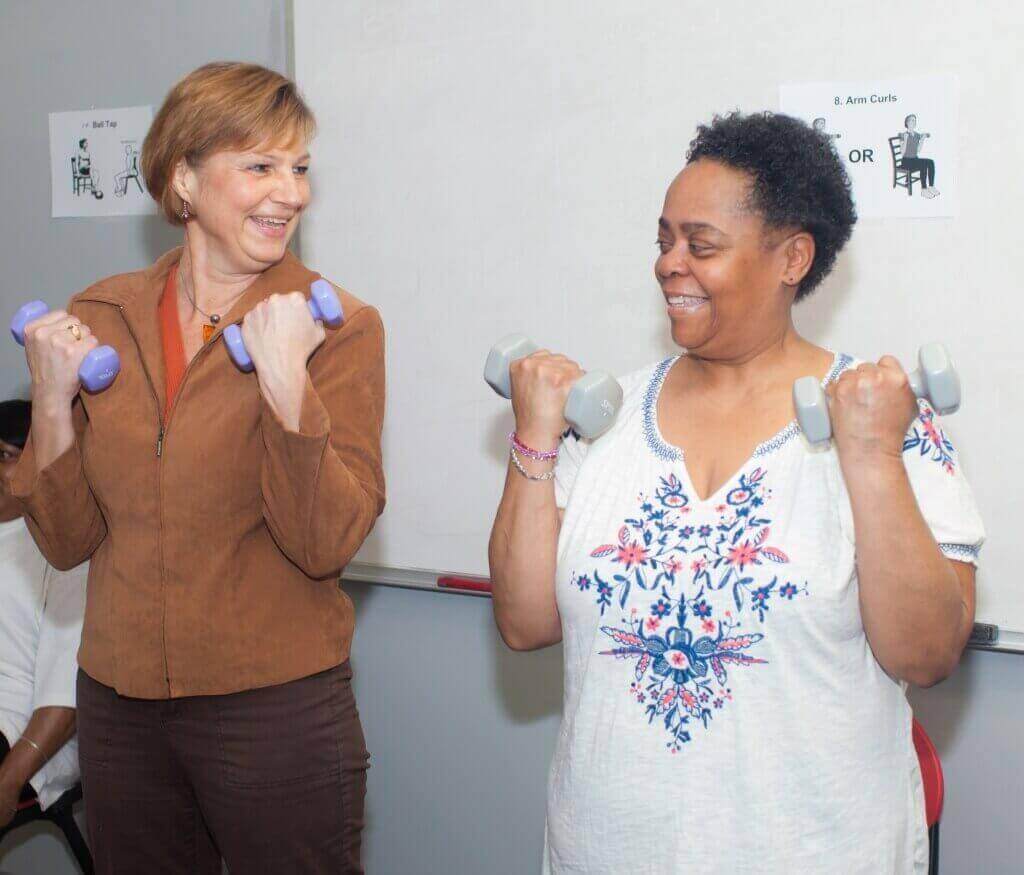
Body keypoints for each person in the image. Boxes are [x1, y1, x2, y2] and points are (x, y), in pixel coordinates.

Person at [489, 111, 984, 874]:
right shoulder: (609, 417)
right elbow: (524, 622)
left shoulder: (881, 414)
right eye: (663, 240)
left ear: (791, 258)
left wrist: (874, 455)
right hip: (607, 849)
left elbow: (926, 652)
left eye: (701, 244)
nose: (667, 264)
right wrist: (533, 440)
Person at [10, 62, 385, 874]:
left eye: (300, 167)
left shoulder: (339, 327)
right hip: (118, 709)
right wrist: (48, 402)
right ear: (183, 178)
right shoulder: (104, 313)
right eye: (261, 166)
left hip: (274, 713)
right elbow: (68, 539)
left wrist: (288, 384)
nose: (292, 193)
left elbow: (325, 543)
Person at [0, 399, 86, 836]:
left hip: (21, 730)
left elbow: (64, 692)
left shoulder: (66, 550)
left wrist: (8, 778)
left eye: (4, 456)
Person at [899, 114, 939, 198]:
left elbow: (917, 151)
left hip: (914, 159)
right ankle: (923, 190)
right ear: (907, 123)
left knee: (930, 162)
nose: (914, 122)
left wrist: (923, 139)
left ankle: (931, 186)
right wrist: (905, 139)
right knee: (923, 164)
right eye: (912, 120)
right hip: (906, 161)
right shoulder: (903, 134)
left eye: (915, 120)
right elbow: (902, 153)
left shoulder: (917, 135)